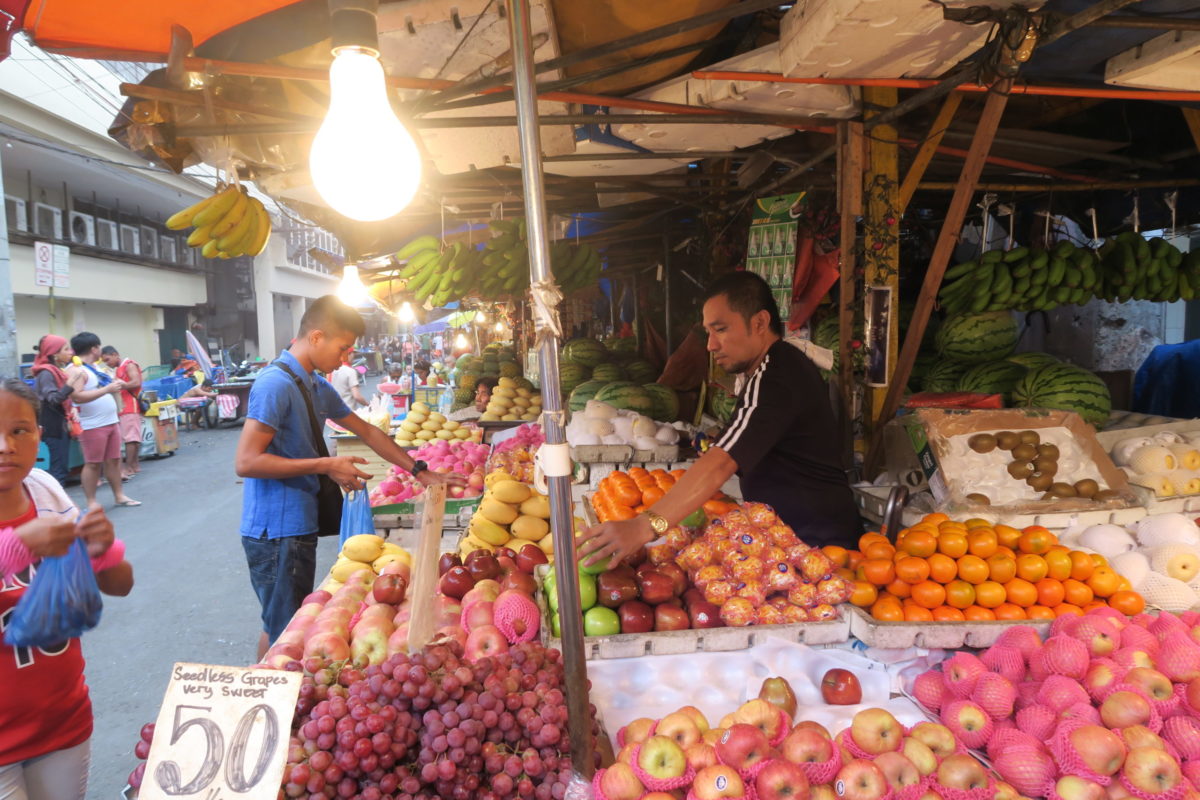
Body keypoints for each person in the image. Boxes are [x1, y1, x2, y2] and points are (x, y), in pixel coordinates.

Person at [235, 296, 466, 659]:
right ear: (316, 337)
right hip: (275, 532)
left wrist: (421, 472)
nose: (346, 359)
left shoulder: (313, 385)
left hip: (297, 526)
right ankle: (268, 697)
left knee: (289, 622)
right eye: (342, 348)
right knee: (284, 630)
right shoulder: (274, 385)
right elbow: (246, 462)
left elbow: (369, 432)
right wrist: (326, 465)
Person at [578, 271, 859, 568]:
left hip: (820, 546)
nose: (710, 345)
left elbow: (723, 462)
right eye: (709, 332)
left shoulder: (777, 374)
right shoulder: (773, 368)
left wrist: (645, 525)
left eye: (721, 329)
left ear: (760, 323)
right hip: (793, 543)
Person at [0, 378, 133, 800]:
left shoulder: (45, 489)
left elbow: (120, 585)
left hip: (63, 722)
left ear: (39, 433)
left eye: (19, 430)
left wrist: (102, 552)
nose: (4, 446)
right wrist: (19, 545)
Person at [66, 333, 139, 509]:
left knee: (114, 460)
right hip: (92, 424)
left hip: (110, 421)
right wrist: (107, 389)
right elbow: (77, 396)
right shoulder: (76, 370)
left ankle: (119, 495)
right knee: (92, 464)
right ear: (94, 348)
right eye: (99, 347)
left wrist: (114, 385)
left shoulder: (95, 368)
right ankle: (91, 502)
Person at [29, 336, 75, 484]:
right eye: (66, 349)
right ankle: (56, 505)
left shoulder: (55, 371)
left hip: (57, 424)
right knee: (59, 469)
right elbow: (54, 399)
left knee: (60, 467)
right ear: (55, 353)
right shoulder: (47, 373)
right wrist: (71, 383)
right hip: (53, 426)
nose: (71, 352)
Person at [99, 346, 143, 481]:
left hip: (128, 406)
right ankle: (134, 465)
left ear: (114, 354)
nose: (107, 363)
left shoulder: (128, 365)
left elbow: (136, 382)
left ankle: (129, 467)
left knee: (130, 438)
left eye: (107, 360)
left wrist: (121, 385)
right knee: (133, 437)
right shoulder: (122, 367)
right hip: (128, 406)